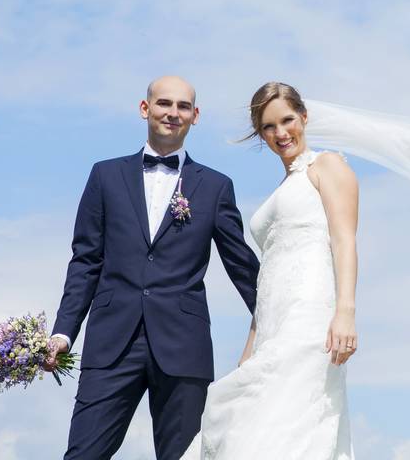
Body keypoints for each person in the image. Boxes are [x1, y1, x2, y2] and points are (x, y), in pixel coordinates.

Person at [44, 76, 260, 460]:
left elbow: (241, 265)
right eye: (164, 104)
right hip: (111, 343)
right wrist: (63, 332)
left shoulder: (215, 186)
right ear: (145, 109)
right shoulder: (104, 176)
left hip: (184, 346)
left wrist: (282, 319)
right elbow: (85, 261)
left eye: (182, 107)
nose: (172, 113)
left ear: (195, 116)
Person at [182, 82, 358, 459]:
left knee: (282, 430)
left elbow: (344, 241)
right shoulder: (284, 185)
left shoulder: (327, 166)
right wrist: (250, 346)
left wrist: (345, 312)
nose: (281, 133)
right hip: (272, 324)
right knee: (250, 426)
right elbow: (268, 275)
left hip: (310, 318)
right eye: (269, 127)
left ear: (304, 117)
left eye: (287, 120)